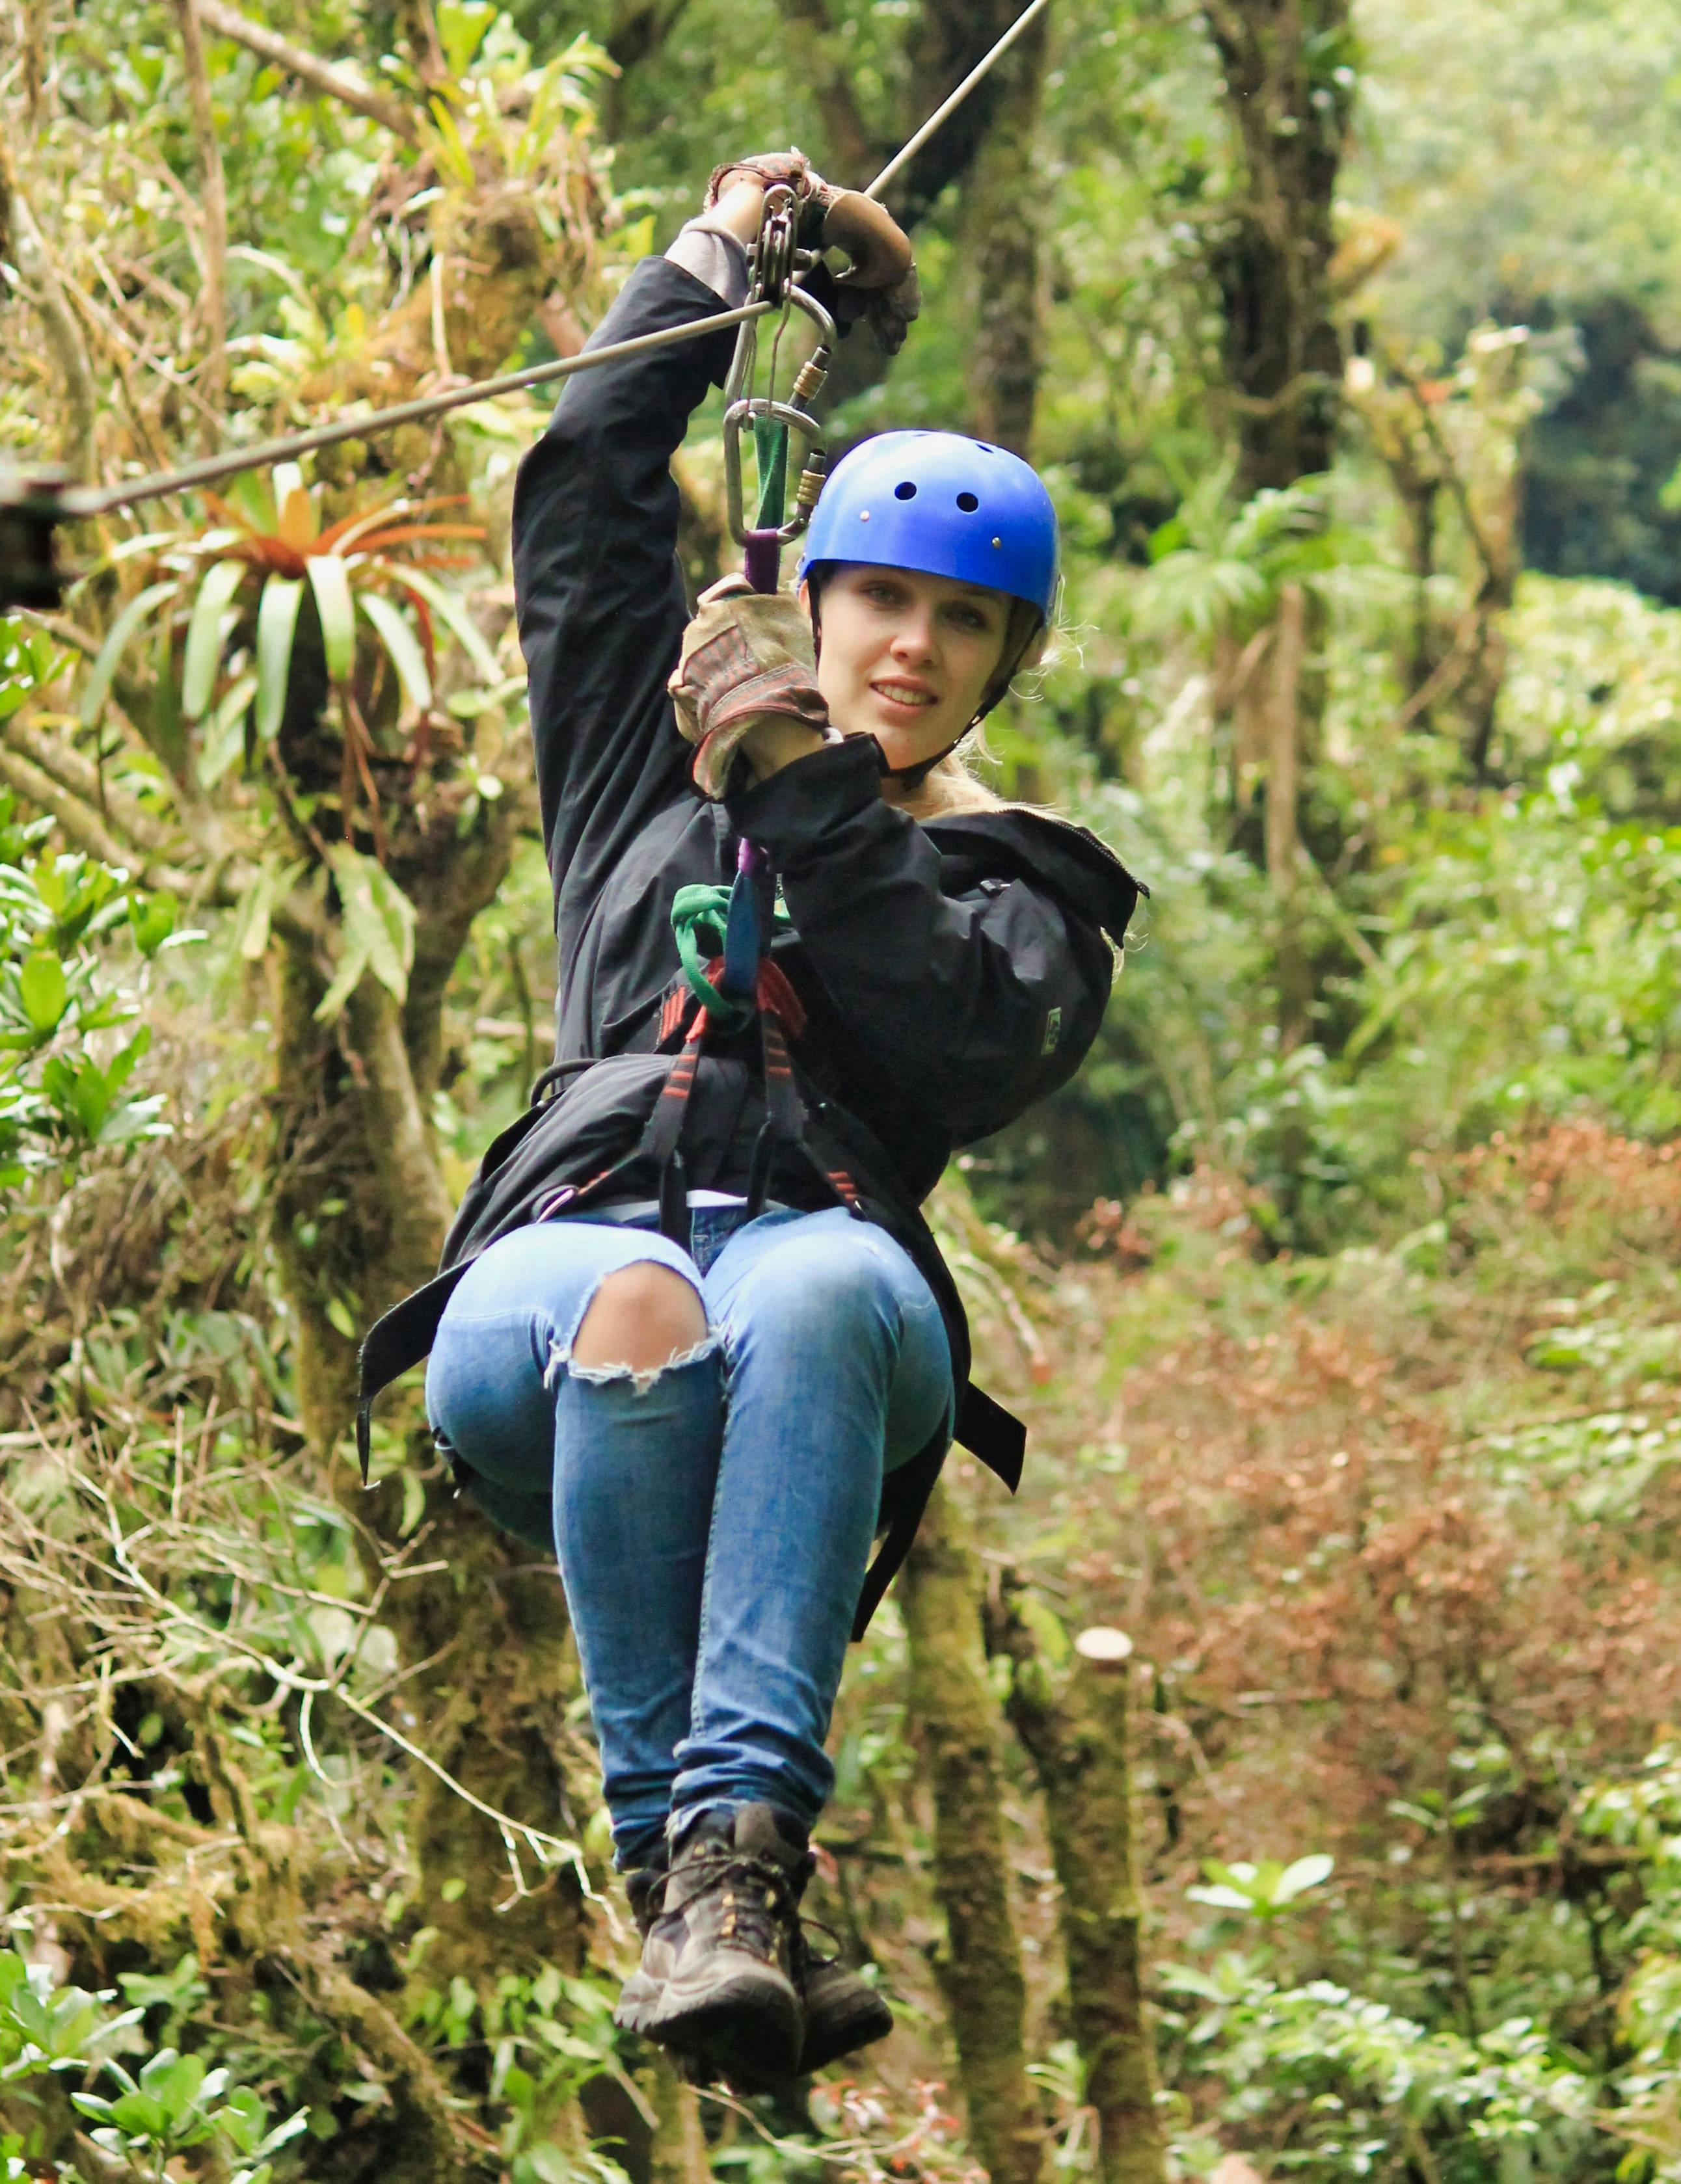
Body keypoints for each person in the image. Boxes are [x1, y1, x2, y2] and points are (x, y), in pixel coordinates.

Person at [356, 151, 1143, 2089]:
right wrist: (721, 262)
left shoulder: (1028, 893)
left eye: (962, 627)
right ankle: (702, 1879)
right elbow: (590, 485)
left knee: (787, 1296)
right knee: (637, 1300)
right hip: (566, 1272)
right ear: (823, 592)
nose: (907, 646)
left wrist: (802, 786)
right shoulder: (643, 770)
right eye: (878, 599)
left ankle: (727, 1865)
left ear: (999, 668)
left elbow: (957, 1038)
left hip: (828, 1296)